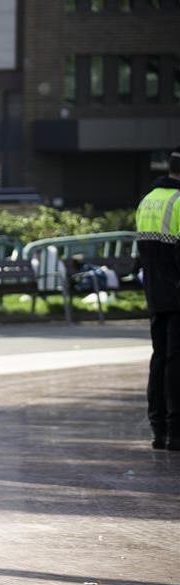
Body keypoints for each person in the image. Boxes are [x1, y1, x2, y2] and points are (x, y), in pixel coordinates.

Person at [136, 146, 180, 452]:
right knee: (178, 361)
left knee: (160, 358)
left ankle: (159, 429)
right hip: (178, 295)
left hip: (155, 293)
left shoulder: (147, 201)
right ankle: (177, 431)